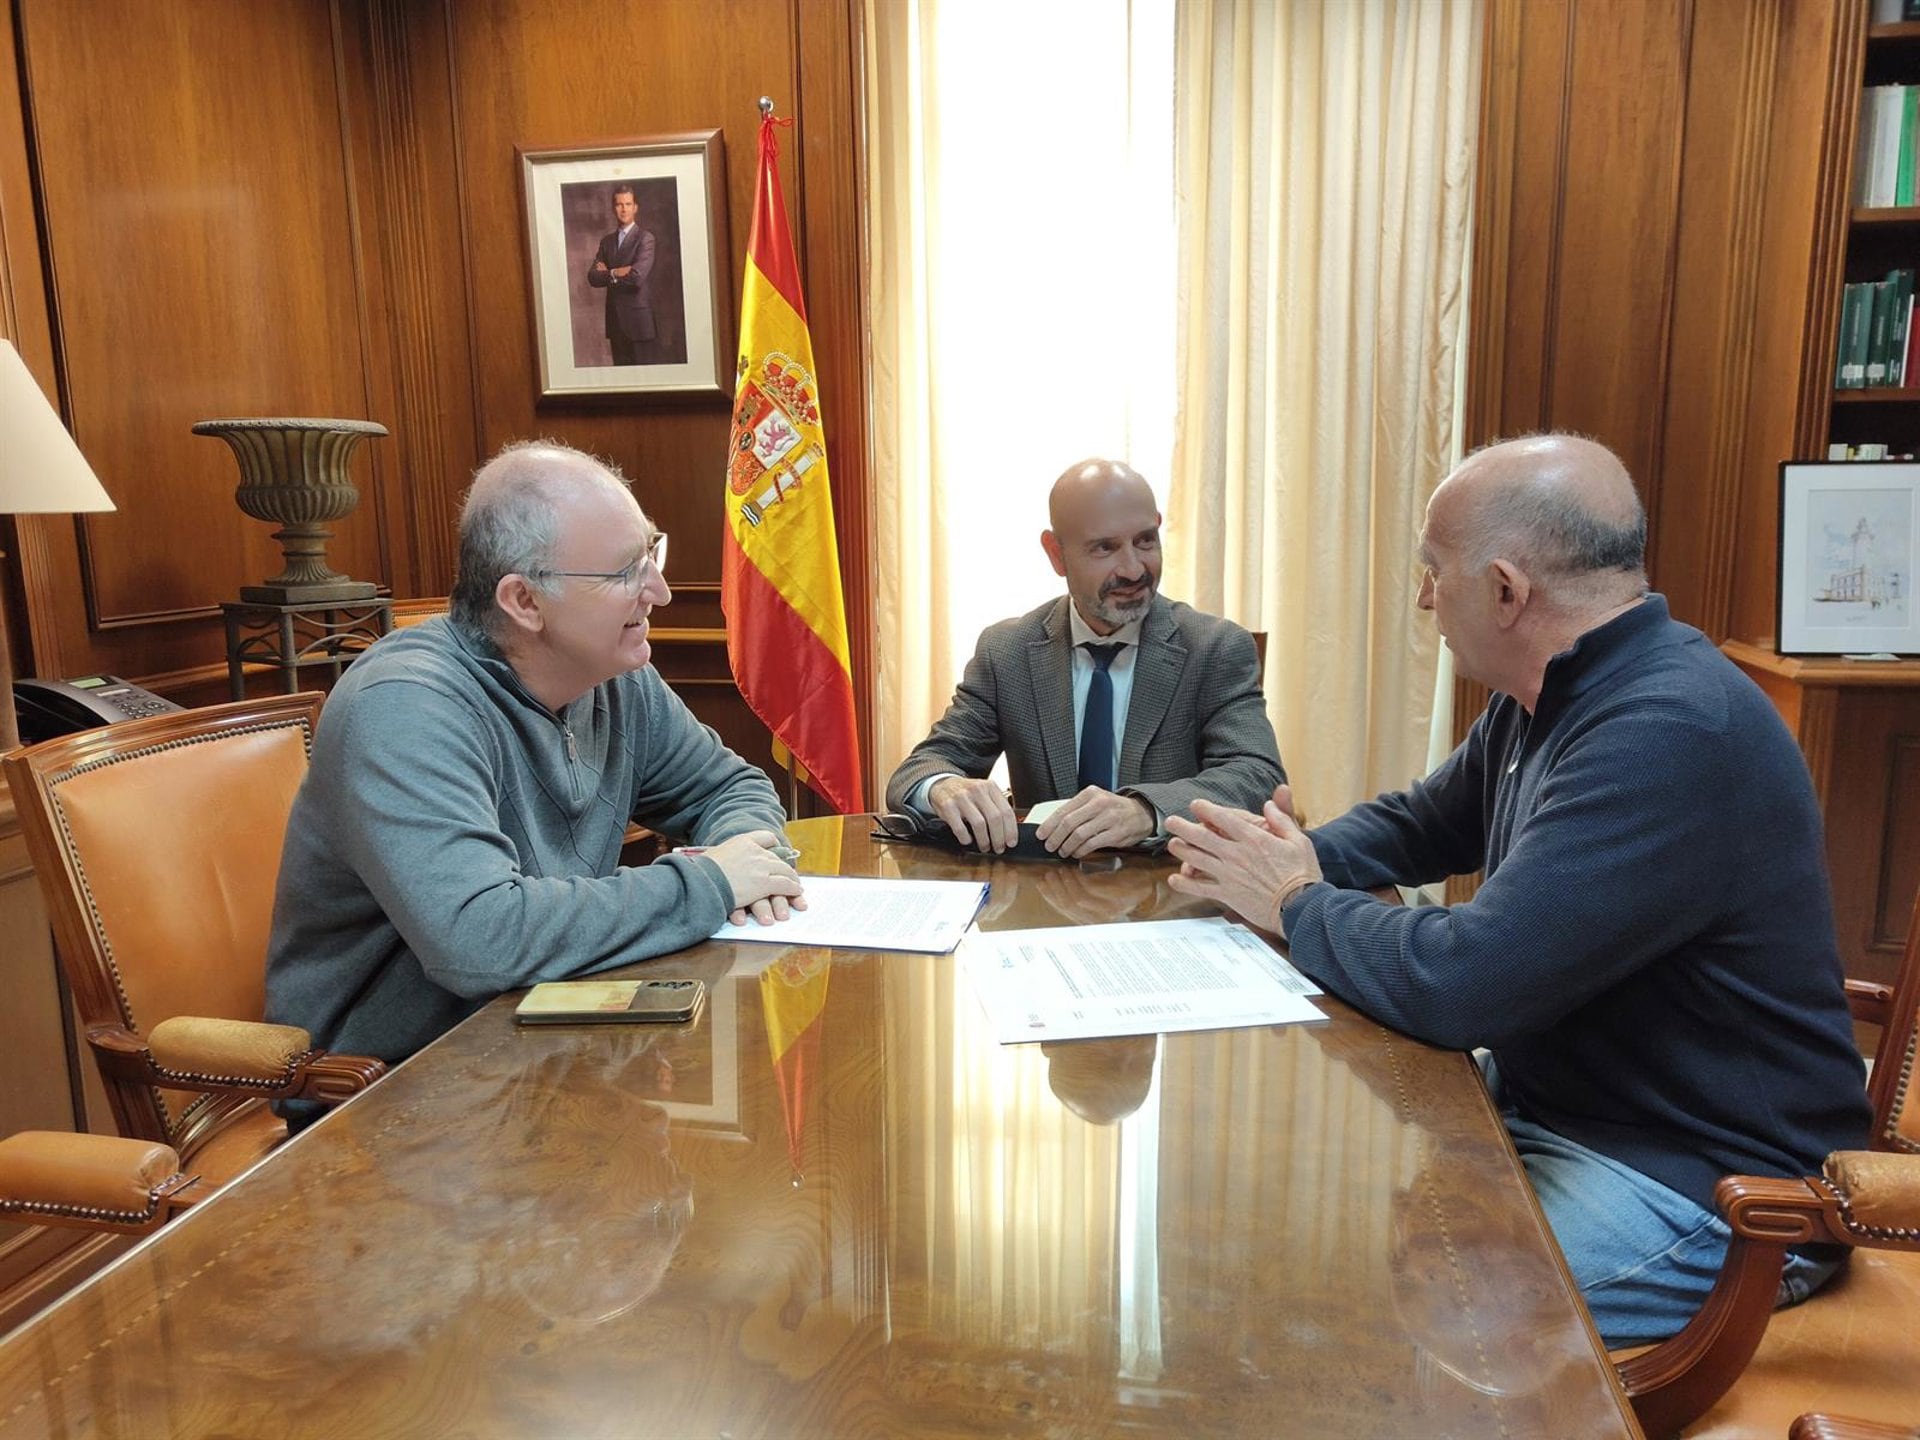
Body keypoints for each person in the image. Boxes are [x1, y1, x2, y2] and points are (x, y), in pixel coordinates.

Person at [1164, 433, 1872, 1347]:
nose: (1424, 597)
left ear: (1505, 590)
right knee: (1294, 1215)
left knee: (1365, 1315)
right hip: (1570, 1112)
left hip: (1711, 1187)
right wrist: (1274, 856)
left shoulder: (1669, 730)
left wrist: (1294, 900)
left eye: (1433, 571)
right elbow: (1423, 824)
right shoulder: (1551, 692)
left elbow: (1466, 985)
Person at [265, 441, 803, 1069]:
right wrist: (710, 882)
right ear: (524, 602)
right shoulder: (403, 707)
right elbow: (479, 939)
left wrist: (748, 864)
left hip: (549, 1043)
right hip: (390, 1089)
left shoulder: (613, 674)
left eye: (651, 553)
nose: (658, 591)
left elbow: (726, 789)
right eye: (625, 571)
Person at [885, 458, 1285, 859]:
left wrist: (1145, 811)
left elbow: (1256, 775)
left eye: (1145, 540)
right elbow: (921, 768)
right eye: (1105, 548)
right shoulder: (1008, 652)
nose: (1132, 569)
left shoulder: (1214, 648)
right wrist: (943, 787)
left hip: (1169, 893)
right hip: (1044, 901)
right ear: (1056, 554)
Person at [586, 183, 656, 365]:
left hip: (639, 324)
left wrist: (607, 274)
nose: (623, 209)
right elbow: (592, 277)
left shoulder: (645, 238)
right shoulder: (606, 242)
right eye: (619, 204)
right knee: (621, 386)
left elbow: (636, 279)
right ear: (613, 208)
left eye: (628, 204)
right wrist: (616, 272)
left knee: (646, 385)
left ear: (635, 208)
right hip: (615, 324)